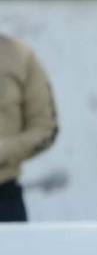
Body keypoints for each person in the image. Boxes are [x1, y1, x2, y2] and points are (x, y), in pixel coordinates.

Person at [0, 33, 58, 223]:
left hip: (4, 197)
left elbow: (45, 127)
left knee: (11, 253)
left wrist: (4, 149)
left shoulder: (19, 55)